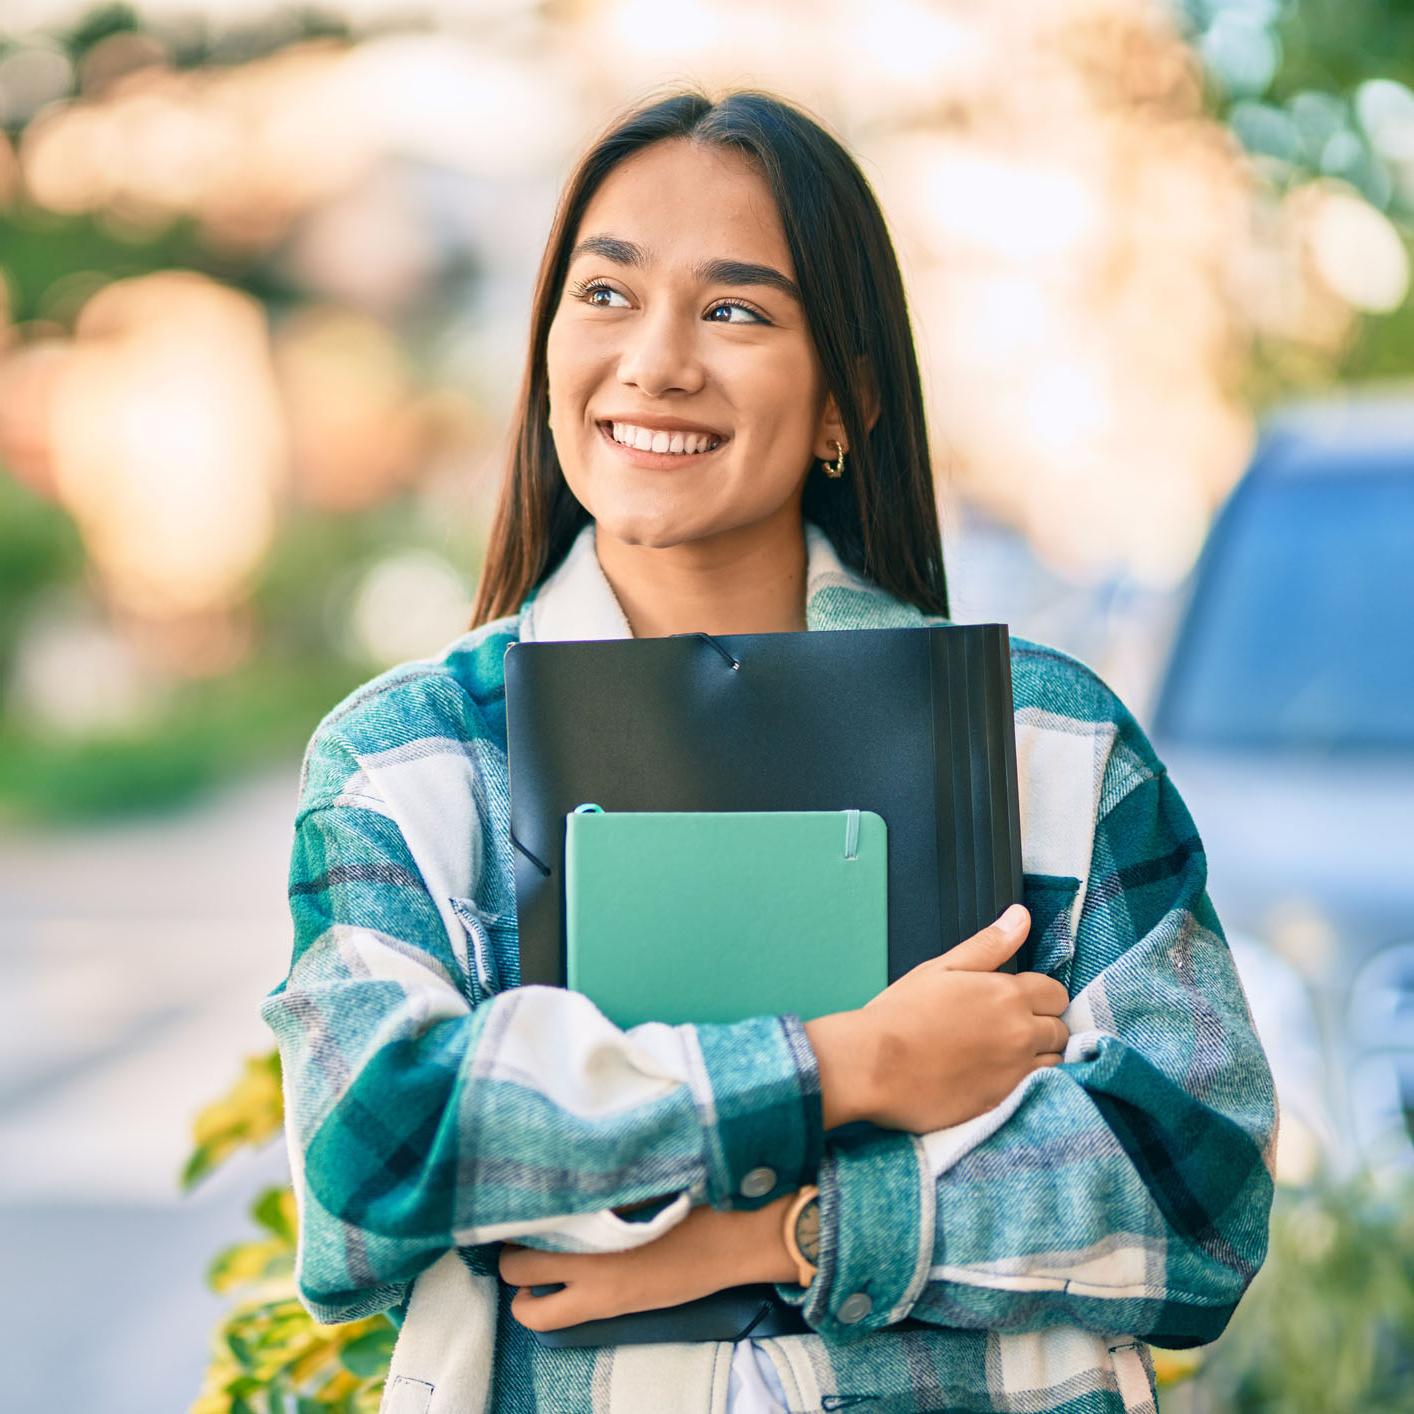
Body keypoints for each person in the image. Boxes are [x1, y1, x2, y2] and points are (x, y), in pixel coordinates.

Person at [261, 87, 1277, 1414]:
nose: (656, 361)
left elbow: (1195, 1195)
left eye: (734, 309)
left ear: (846, 398)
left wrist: (784, 1233)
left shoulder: (1044, 740)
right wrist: (853, 1063)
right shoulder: (413, 760)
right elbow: (377, 1151)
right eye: (606, 295)